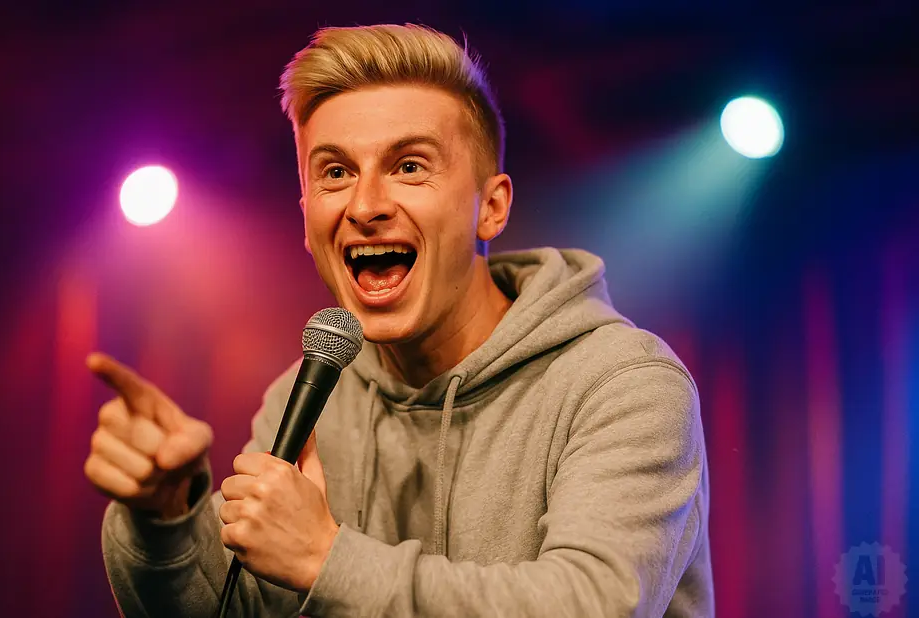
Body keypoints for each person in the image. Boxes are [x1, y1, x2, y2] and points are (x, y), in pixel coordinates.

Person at [85, 24, 714, 617]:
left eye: (410, 166)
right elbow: (233, 606)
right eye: (336, 173)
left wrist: (327, 561)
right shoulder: (310, 397)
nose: (365, 206)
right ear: (306, 215)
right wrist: (165, 519)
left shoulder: (623, 384)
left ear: (491, 208)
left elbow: (594, 603)